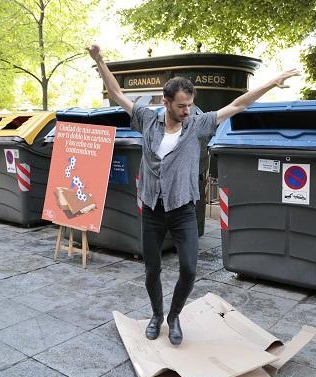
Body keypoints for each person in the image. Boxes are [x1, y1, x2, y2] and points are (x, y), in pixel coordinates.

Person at [88, 44, 298, 345]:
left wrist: (269, 83)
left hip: (183, 208)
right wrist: (100, 60)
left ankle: (174, 315)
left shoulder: (197, 125)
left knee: (188, 268)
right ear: (166, 101)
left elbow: (238, 104)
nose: (187, 111)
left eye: (190, 105)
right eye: (181, 106)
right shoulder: (147, 119)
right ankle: (157, 315)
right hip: (151, 208)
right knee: (152, 269)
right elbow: (118, 93)